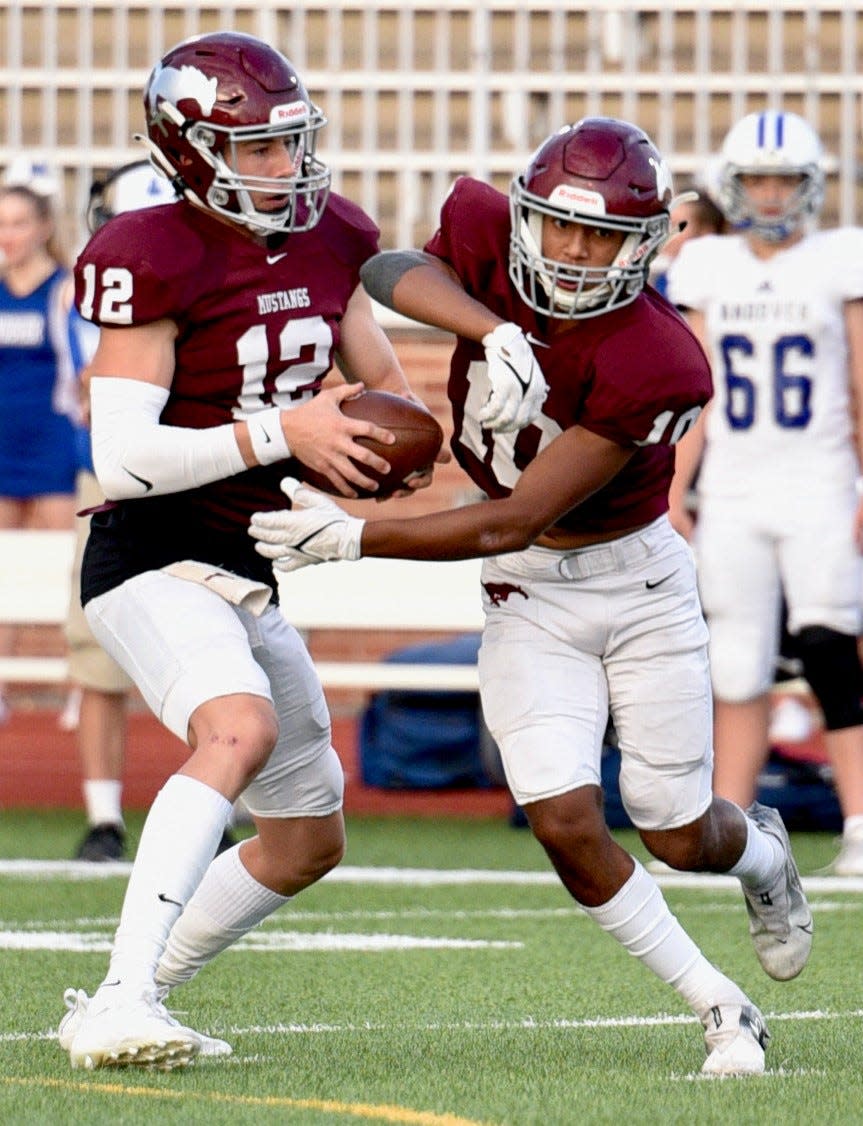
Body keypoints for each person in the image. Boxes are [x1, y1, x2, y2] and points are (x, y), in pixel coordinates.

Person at [248, 117, 813, 1076]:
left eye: (600, 236)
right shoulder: (483, 233)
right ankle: (718, 1002)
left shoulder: (660, 356)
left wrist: (354, 538)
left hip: (633, 580)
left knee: (675, 829)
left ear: (648, 242)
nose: (575, 251)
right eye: (556, 226)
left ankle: (761, 854)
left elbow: (511, 516)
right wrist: (489, 325)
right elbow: (389, 270)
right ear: (524, 214)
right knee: (560, 818)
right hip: (530, 593)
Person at [58, 30, 445, 1070]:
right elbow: (125, 458)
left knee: (306, 839)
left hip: (252, 562)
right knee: (236, 726)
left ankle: (121, 996)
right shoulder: (149, 251)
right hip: (149, 552)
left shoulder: (332, 237)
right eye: (260, 150)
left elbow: (382, 395)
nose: (286, 168)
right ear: (189, 151)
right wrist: (284, 433)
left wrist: (389, 448)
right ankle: (128, 991)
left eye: (290, 143)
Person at [665, 110, 863, 877]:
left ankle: (859, 826)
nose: (772, 195)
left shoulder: (838, 261)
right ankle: (727, 835)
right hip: (736, 491)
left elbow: (857, 383)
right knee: (736, 664)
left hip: (817, 481)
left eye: (784, 180)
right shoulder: (707, 267)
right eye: (757, 180)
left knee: (827, 649)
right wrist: (676, 488)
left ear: (809, 186)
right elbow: (696, 392)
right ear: (733, 186)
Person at [68, 160, 179, 861]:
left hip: (207, 478)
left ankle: (216, 804)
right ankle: (104, 816)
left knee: (230, 650)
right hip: (115, 480)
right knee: (96, 656)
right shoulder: (89, 292)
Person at [0, 164, 84, 725]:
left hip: (52, 442)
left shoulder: (66, 289)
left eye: (20, 222)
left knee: (65, 566)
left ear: (44, 226)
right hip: (1, 442)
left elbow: (81, 372)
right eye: (0, 223)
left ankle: (80, 681)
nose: (9, 234)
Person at [649, 185, 726, 299]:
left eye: (676, 225)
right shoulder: (663, 277)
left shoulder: (721, 280)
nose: (665, 233)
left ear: (706, 232)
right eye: (664, 224)